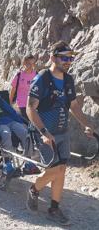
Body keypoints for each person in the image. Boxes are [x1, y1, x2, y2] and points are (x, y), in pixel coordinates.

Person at [26, 40, 94, 225]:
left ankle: (54, 208)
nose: (68, 61)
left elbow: (73, 105)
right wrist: (43, 132)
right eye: (64, 57)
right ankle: (34, 189)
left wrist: (86, 124)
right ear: (53, 57)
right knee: (56, 169)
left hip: (63, 133)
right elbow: (30, 108)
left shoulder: (68, 80)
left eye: (70, 58)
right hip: (45, 133)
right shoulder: (42, 78)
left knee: (61, 171)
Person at [0, 83, 40, 175]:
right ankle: (7, 163)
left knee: (25, 132)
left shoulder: (0, 101)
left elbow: (11, 112)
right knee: (6, 134)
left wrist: (22, 122)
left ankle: (29, 163)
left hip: (10, 121)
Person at [9, 54, 37, 120]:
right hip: (21, 105)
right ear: (24, 63)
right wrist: (10, 103)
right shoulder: (19, 75)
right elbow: (13, 89)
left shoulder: (36, 75)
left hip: (33, 105)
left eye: (32, 64)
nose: (30, 66)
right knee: (25, 123)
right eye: (28, 63)